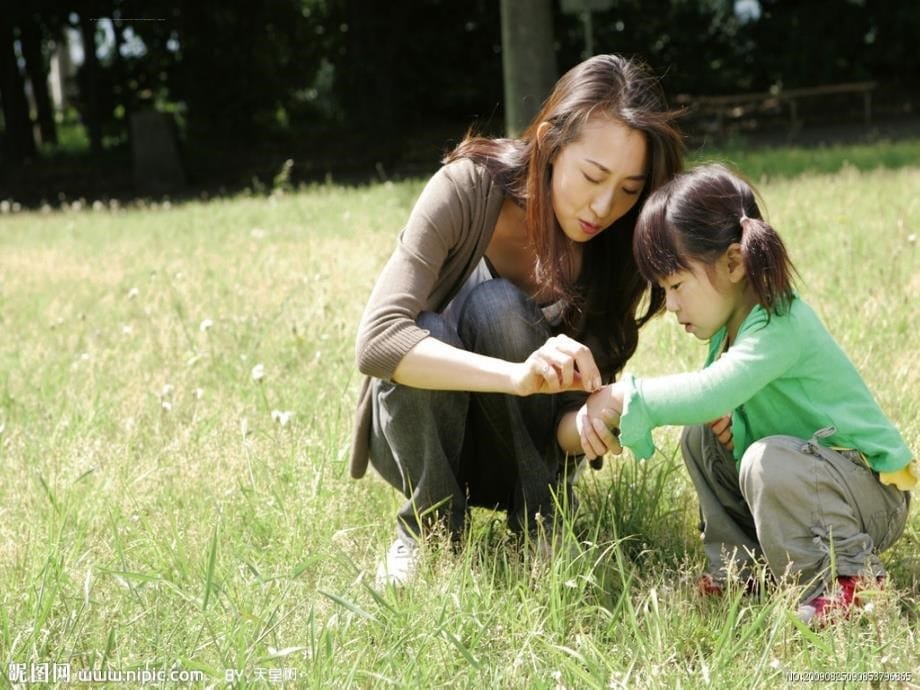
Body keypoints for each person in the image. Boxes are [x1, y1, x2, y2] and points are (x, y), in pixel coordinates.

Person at [351, 54, 685, 586]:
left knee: (499, 310)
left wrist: (603, 418)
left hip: (530, 455)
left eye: (628, 190)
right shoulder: (466, 189)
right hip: (424, 445)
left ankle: (539, 525)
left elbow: (569, 430)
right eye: (593, 176)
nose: (604, 207)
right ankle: (429, 532)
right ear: (551, 143)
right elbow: (378, 343)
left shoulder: (619, 248)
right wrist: (516, 377)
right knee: (447, 324)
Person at [578, 163, 916, 625]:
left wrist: (626, 397)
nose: (671, 305)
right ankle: (742, 570)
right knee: (701, 436)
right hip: (809, 475)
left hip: (868, 494)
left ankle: (844, 579)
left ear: (734, 263)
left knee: (765, 459)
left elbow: (711, 391)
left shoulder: (780, 323)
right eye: (663, 289)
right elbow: (715, 404)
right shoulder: (728, 331)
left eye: (676, 285)